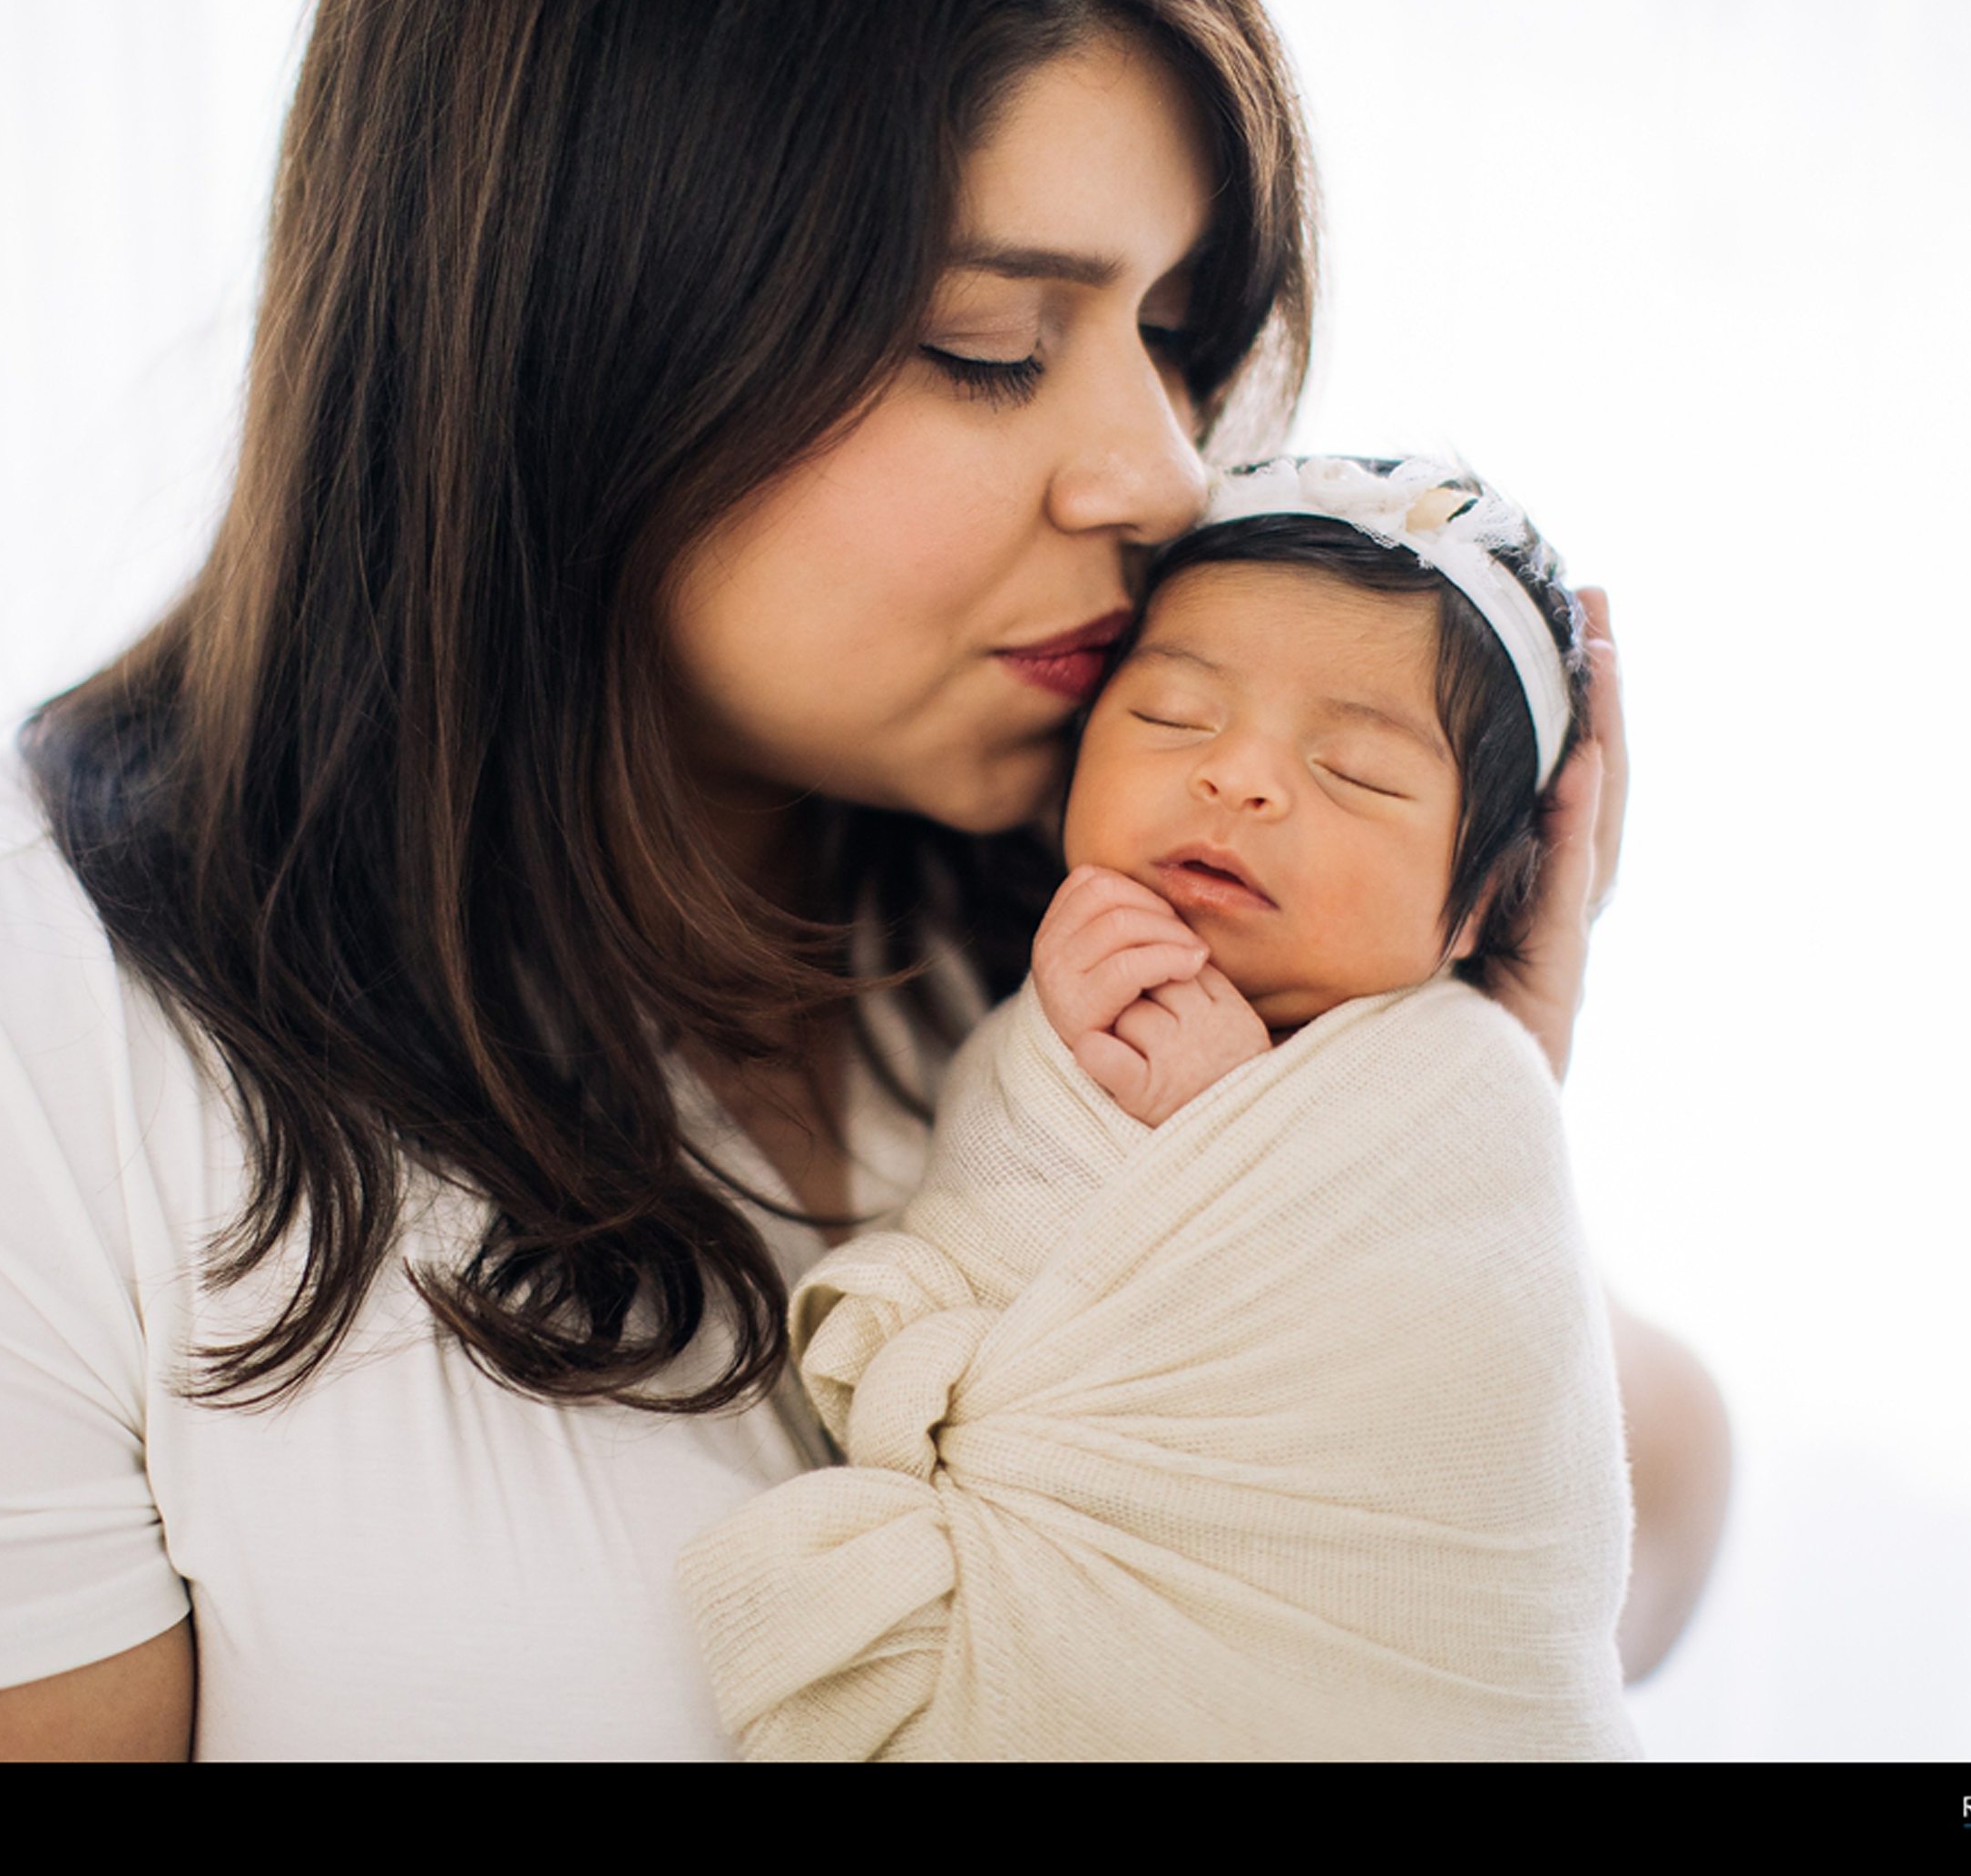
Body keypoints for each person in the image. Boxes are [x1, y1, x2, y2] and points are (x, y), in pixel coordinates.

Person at [0, 0, 1722, 1760]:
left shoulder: (1109, 902)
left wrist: (1428, 1120)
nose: (1162, 477)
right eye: (991, 345)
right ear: (575, 328)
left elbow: (1631, 1547)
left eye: (1174, 337)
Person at [681, 456, 1639, 1758]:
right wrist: (1082, 1111)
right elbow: (979, 1254)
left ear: (1474, 910)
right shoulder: (1004, 1018)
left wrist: (1229, 1145)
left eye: (1355, 770)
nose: (1240, 778)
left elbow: (1480, 1427)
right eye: (1176, 718)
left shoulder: (1463, 1097)